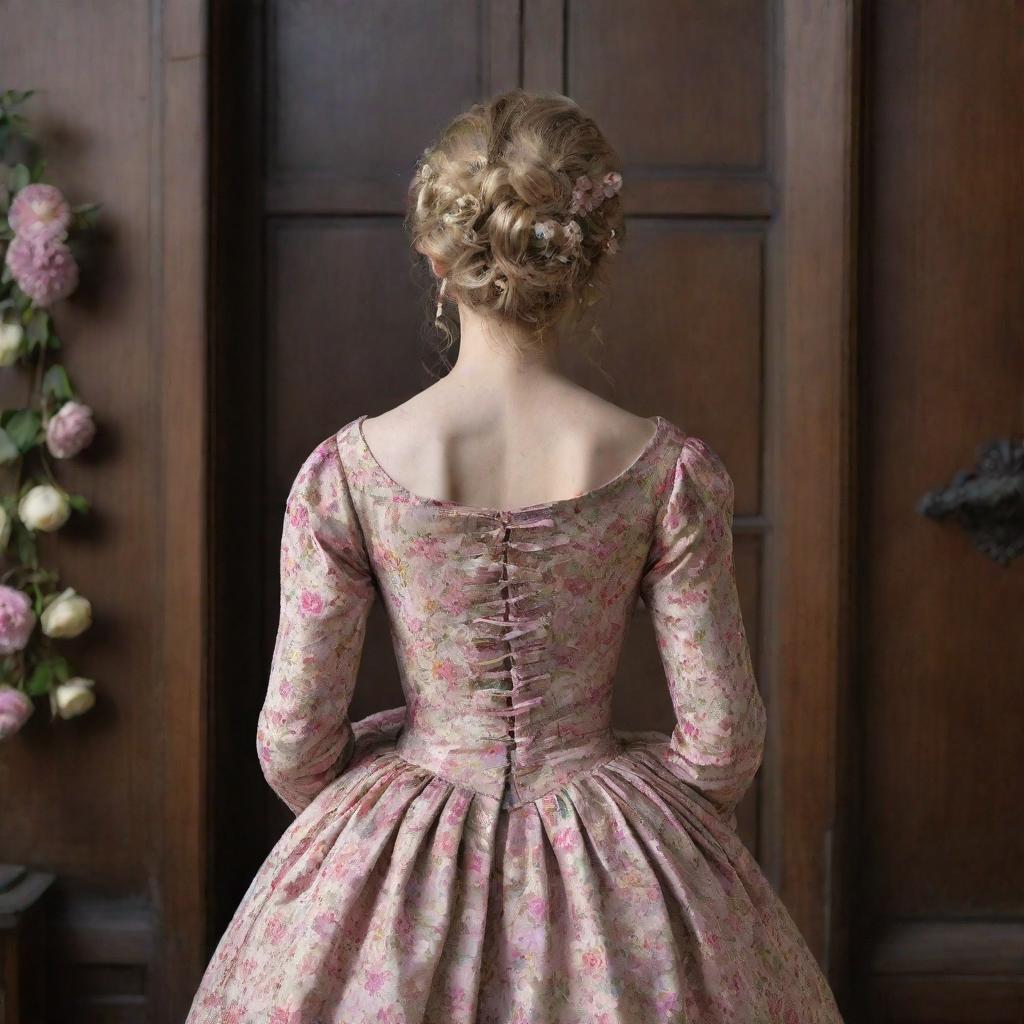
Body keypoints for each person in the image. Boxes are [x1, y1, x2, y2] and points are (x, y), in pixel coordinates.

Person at [187, 89, 845, 1023]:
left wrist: (380, 811)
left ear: (436, 253)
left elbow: (292, 743)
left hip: (402, 837)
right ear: (587, 254)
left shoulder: (350, 474)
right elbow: (725, 741)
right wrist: (640, 818)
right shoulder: (665, 471)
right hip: (610, 846)